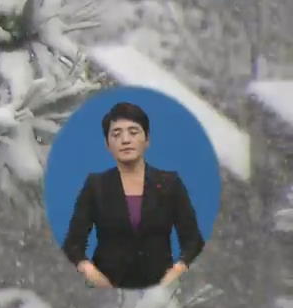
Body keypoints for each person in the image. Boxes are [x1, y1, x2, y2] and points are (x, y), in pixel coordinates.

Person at [61, 102, 205, 289]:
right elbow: (73, 245)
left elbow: (193, 241)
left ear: (147, 139)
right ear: (107, 144)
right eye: (116, 134)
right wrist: (90, 272)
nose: (125, 140)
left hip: (160, 291)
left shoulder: (170, 183)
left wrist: (176, 271)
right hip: (106, 290)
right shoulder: (96, 185)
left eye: (133, 132)